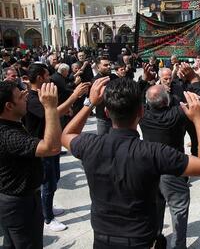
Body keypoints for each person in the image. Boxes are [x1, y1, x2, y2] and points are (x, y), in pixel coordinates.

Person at [61, 77, 200, 248]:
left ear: (106, 112)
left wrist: (89, 103)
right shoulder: (153, 152)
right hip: (139, 239)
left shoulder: (90, 144)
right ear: (141, 112)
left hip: (102, 238)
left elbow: (66, 135)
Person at [25, 63, 89, 232]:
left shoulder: (41, 95)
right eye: (47, 76)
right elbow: (53, 113)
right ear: (39, 78)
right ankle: (48, 218)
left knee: (54, 180)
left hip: (52, 144)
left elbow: (54, 112)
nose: (50, 79)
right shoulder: (31, 99)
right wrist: (74, 96)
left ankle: (48, 207)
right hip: (42, 146)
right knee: (48, 182)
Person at [0, 80, 61, 248]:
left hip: (16, 202)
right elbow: (52, 147)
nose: (26, 97)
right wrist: (50, 107)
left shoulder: (12, 124)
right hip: (19, 205)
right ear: (9, 106)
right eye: (20, 97)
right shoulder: (7, 135)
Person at [140, 84, 190, 249]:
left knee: (155, 205)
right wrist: (193, 80)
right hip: (172, 168)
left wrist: (143, 82)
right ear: (167, 100)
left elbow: (138, 99)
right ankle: (178, 246)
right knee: (179, 208)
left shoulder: (143, 115)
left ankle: (155, 238)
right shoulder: (177, 114)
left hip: (150, 169)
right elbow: (196, 102)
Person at [92, 56, 119, 135]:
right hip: (103, 118)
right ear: (98, 67)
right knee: (103, 142)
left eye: (109, 64)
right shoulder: (96, 81)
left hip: (117, 116)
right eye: (105, 65)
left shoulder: (114, 77)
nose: (109, 67)